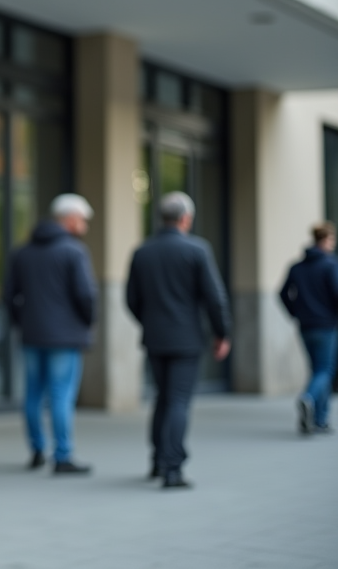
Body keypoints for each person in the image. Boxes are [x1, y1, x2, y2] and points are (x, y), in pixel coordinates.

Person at [126, 191, 230, 490]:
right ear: (186, 218)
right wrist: (222, 333)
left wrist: (149, 322)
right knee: (178, 402)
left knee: (163, 398)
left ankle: (158, 460)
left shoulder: (142, 251)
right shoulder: (197, 250)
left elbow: (131, 299)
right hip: (186, 339)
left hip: (155, 339)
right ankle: (173, 468)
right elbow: (215, 297)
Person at [3, 193, 97, 475]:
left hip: (32, 335)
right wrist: (87, 322)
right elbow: (86, 295)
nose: (85, 226)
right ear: (69, 219)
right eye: (83, 220)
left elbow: (8, 296)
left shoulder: (22, 252)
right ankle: (63, 456)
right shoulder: (73, 251)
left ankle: (36, 451)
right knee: (61, 395)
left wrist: (23, 322)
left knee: (33, 394)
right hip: (65, 338)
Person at [279, 222, 338, 434]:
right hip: (326, 326)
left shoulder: (297, 267)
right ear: (326, 240)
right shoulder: (330, 266)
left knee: (317, 370)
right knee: (325, 371)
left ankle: (319, 420)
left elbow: (283, 294)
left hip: (305, 326)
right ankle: (308, 399)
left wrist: (296, 313)